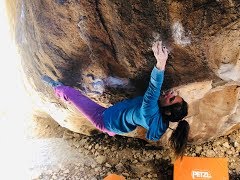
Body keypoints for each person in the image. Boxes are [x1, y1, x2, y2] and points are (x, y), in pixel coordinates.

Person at [42, 41, 189, 158]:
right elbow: (157, 115)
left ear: (167, 112)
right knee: (114, 127)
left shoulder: (149, 112)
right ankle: (111, 131)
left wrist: (161, 62)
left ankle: (56, 88)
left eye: (171, 99)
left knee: (71, 94)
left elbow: (153, 89)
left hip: (104, 119)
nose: (170, 94)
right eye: (173, 96)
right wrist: (168, 98)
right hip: (119, 121)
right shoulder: (162, 123)